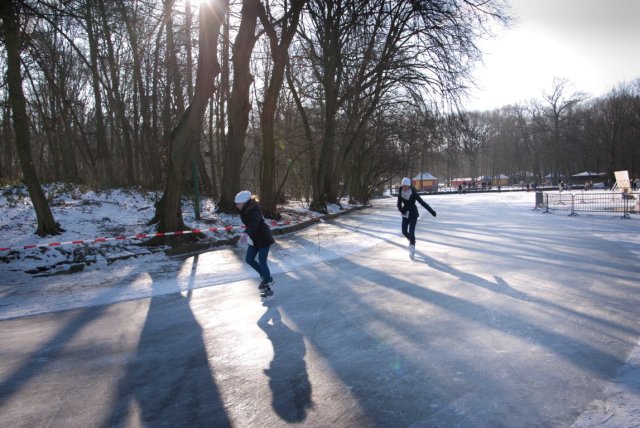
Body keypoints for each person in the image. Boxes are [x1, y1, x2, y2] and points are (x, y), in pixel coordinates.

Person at [235, 190, 275, 297]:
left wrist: (246, 234)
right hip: (254, 239)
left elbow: (254, 223)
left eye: (238, 204)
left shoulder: (254, 209)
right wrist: (248, 235)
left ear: (244, 202)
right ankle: (267, 277)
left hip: (263, 237)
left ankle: (267, 282)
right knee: (249, 259)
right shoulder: (244, 210)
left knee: (262, 261)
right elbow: (250, 225)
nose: (237, 206)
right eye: (236, 204)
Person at [397, 177, 436, 259]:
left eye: (406, 186)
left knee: (411, 232)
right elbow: (399, 203)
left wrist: (431, 211)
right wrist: (401, 210)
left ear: (409, 186)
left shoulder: (413, 193)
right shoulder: (400, 191)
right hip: (405, 214)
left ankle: (412, 248)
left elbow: (422, 203)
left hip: (413, 214)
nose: (404, 187)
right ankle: (411, 240)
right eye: (403, 186)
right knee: (404, 231)